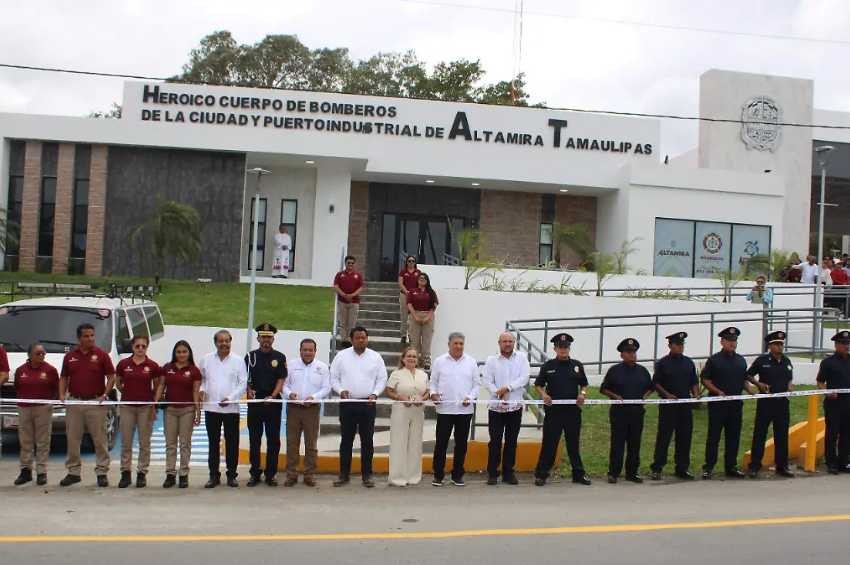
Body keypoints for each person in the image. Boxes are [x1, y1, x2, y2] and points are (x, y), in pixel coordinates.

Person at [59, 323, 116, 487]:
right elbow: (64, 377)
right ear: (78, 338)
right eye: (86, 336)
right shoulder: (70, 357)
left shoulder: (102, 355)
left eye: (92, 335)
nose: (90, 339)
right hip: (75, 401)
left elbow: (111, 377)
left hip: (95, 402)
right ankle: (73, 472)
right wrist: (62, 395)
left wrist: (105, 395)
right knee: (73, 438)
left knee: (99, 439)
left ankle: (102, 472)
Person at [330, 326, 387, 488]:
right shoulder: (341, 356)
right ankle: (344, 474)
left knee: (367, 440)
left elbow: (382, 378)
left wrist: (375, 394)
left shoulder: (375, 357)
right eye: (357, 338)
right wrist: (341, 391)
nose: (361, 340)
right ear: (352, 339)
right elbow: (333, 377)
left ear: (367, 339)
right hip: (347, 404)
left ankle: (367, 475)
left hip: (368, 404)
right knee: (346, 440)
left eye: (363, 337)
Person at [534, 333, 591, 486]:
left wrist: (582, 394)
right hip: (554, 412)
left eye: (566, 347)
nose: (563, 349)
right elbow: (538, 384)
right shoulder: (548, 366)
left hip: (572, 411)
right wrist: (544, 395)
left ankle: (578, 474)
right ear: (555, 348)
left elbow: (584, 384)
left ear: (569, 348)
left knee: (573, 444)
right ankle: (541, 475)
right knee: (550, 444)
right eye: (560, 347)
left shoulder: (577, 365)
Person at [700, 327, 756, 479]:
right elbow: (704, 379)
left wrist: (750, 389)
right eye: (729, 340)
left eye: (734, 340)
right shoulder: (714, 360)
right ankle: (709, 466)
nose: (732, 343)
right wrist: (717, 391)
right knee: (714, 437)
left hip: (735, 405)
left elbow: (743, 379)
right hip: (718, 405)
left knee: (733, 437)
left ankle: (730, 466)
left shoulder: (740, 360)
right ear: (722, 341)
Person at [600, 338, 654, 484]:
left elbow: (650, 386)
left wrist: (645, 396)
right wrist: (615, 396)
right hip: (619, 413)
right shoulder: (614, 371)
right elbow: (603, 388)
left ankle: (632, 472)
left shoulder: (642, 371)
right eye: (629, 352)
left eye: (634, 352)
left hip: (636, 412)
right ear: (622, 355)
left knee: (634, 443)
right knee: (618, 443)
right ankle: (613, 473)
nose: (632, 355)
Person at [430, 332, 480, 487]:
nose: (459, 346)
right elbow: (433, 382)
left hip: (465, 411)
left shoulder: (471, 362)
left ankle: (457, 475)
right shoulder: (439, 361)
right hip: (445, 410)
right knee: (441, 444)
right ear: (449, 344)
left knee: (461, 444)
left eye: (461, 344)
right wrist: (433, 394)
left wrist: (470, 398)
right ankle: (438, 475)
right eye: (456, 343)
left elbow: (476, 384)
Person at [199, 329, 248, 488]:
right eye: (221, 341)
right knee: (213, 443)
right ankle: (214, 476)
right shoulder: (206, 359)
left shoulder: (238, 361)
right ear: (215, 343)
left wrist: (231, 398)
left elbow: (243, 384)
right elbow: (202, 380)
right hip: (211, 408)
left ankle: (231, 475)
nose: (224, 344)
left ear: (230, 342)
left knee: (232, 443)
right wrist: (202, 390)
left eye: (227, 341)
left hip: (231, 409)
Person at [482, 332, 530, 485]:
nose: (508, 344)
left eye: (510, 341)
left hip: (515, 406)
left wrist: (508, 388)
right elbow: (487, 380)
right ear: (499, 343)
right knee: (495, 441)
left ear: (514, 342)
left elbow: (524, 377)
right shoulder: (491, 360)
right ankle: (492, 473)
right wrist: (497, 393)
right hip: (496, 407)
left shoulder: (521, 357)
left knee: (511, 440)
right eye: (505, 341)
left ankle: (508, 473)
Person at [115, 334, 162, 489]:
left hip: (145, 407)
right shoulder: (123, 364)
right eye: (137, 346)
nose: (140, 349)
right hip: (127, 406)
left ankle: (142, 473)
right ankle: (125, 473)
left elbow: (157, 387)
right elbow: (119, 384)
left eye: (143, 346)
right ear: (132, 347)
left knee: (144, 442)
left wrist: (153, 405)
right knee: (126, 442)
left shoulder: (153, 366)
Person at [650, 332, 699, 481]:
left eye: (682, 344)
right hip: (668, 406)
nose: (680, 347)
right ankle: (657, 468)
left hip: (685, 406)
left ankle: (682, 468)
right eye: (678, 344)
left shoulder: (688, 363)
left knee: (684, 438)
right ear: (670, 345)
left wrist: (696, 395)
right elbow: (656, 383)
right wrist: (667, 395)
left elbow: (694, 381)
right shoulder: (663, 363)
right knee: (664, 437)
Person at [746, 331, 794, 479]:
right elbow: (748, 374)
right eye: (776, 344)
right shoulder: (762, 360)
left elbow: (789, 378)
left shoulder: (786, 361)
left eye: (781, 344)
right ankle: (754, 466)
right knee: (760, 434)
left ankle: (782, 466)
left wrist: (789, 386)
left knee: (781, 435)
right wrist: (758, 384)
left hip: (782, 403)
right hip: (766, 402)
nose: (779, 347)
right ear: (770, 346)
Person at [283, 338, 331, 487]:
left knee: (311, 443)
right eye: (305, 350)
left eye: (311, 350)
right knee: (292, 442)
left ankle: (309, 473)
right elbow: (284, 385)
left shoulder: (322, 367)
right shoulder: (291, 366)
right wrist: (289, 394)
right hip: (294, 408)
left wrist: (314, 397)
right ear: (300, 351)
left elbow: (326, 388)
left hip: (312, 408)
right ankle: (292, 474)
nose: (308, 353)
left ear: (315, 351)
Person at [245, 323, 287, 487]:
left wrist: (274, 395)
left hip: (273, 403)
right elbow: (245, 378)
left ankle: (271, 474)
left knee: (273, 440)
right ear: (258, 339)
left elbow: (281, 379)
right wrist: (248, 390)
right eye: (263, 336)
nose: (266, 340)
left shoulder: (280, 357)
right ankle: (254, 473)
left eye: (269, 337)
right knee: (254, 439)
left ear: (273, 339)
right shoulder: (250, 357)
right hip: (255, 402)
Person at [158, 340, 202, 488]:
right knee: (170, 443)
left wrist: (198, 412)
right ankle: (170, 473)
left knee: (185, 443)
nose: (181, 355)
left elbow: (196, 392)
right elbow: (161, 386)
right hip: (170, 409)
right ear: (174, 354)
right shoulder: (167, 368)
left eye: (184, 352)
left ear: (189, 353)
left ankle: (184, 474)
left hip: (187, 409)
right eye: (178, 352)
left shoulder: (194, 370)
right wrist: (154, 405)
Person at [12, 344, 58, 486]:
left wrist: (47, 402)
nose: (42, 355)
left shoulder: (50, 370)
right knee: (25, 440)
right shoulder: (21, 370)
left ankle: (41, 471)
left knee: (42, 440)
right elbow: (17, 387)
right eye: (38, 353)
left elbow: (55, 389)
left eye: (43, 353)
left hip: (42, 409)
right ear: (30, 355)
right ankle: (25, 470)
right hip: (24, 409)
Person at [386, 347, 430, 487]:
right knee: (399, 442)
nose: (412, 359)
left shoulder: (423, 375)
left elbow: (428, 391)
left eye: (414, 357)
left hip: (417, 410)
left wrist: (422, 399)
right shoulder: (397, 374)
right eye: (409, 356)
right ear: (403, 359)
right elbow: (389, 391)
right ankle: (397, 477)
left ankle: (413, 476)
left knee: (415, 442)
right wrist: (401, 398)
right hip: (401, 409)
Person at [816, 330, 850, 474]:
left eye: (848, 344)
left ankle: (844, 461)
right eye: (843, 344)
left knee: (847, 433)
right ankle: (831, 462)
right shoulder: (828, 362)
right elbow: (820, 382)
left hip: (849, 401)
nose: (846, 346)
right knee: (832, 432)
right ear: (836, 345)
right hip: (834, 402)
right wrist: (827, 392)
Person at [407, 273, 438, 370]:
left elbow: (434, 305)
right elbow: (409, 304)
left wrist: (427, 317)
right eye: (420, 278)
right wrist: (415, 316)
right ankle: (414, 361)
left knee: (426, 341)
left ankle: (426, 361)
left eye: (424, 278)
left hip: (428, 316)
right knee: (415, 340)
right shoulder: (413, 291)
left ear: (427, 280)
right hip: (415, 315)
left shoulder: (431, 292)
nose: (422, 280)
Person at [334, 255, 365, 346]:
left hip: (354, 302)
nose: (350, 264)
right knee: (343, 322)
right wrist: (344, 295)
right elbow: (336, 286)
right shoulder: (340, 275)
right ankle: (344, 339)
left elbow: (361, 287)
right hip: (342, 301)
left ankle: (350, 339)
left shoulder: (358, 276)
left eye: (352, 263)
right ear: (345, 263)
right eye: (348, 263)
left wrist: (352, 295)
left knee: (351, 323)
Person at [398, 255, 421, 343]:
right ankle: (403, 334)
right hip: (404, 295)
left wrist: (413, 293)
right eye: (409, 261)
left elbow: (420, 283)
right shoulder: (403, 272)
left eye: (413, 261)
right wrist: (406, 292)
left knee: (412, 317)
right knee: (404, 316)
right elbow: (400, 283)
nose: (411, 263)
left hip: (414, 296)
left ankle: (411, 335)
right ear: (406, 262)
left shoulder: (418, 272)